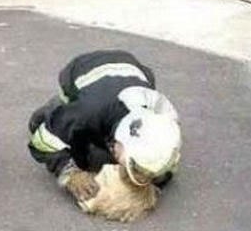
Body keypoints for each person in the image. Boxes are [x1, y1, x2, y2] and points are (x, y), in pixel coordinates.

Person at [28, 50, 182, 201]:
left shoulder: (163, 121)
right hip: (84, 70)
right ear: (122, 139)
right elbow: (42, 143)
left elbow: (163, 168)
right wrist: (70, 174)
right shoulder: (87, 111)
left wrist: (151, 182)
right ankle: (55, 112)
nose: (135, 174)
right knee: (76, 146)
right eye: (133, 166)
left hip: (133, 69)